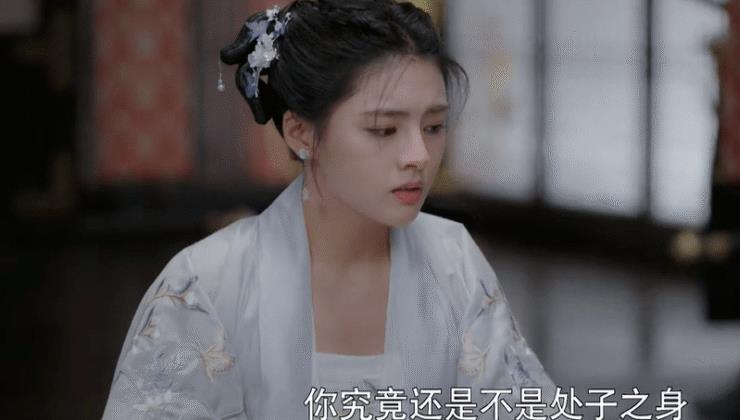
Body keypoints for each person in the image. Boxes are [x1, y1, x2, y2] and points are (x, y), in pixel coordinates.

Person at [102, 1, 555, 418]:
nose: (419, 155)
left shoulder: (453, 260)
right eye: (384, 130)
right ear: (300, 132)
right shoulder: (206, 283)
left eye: (433, 126)